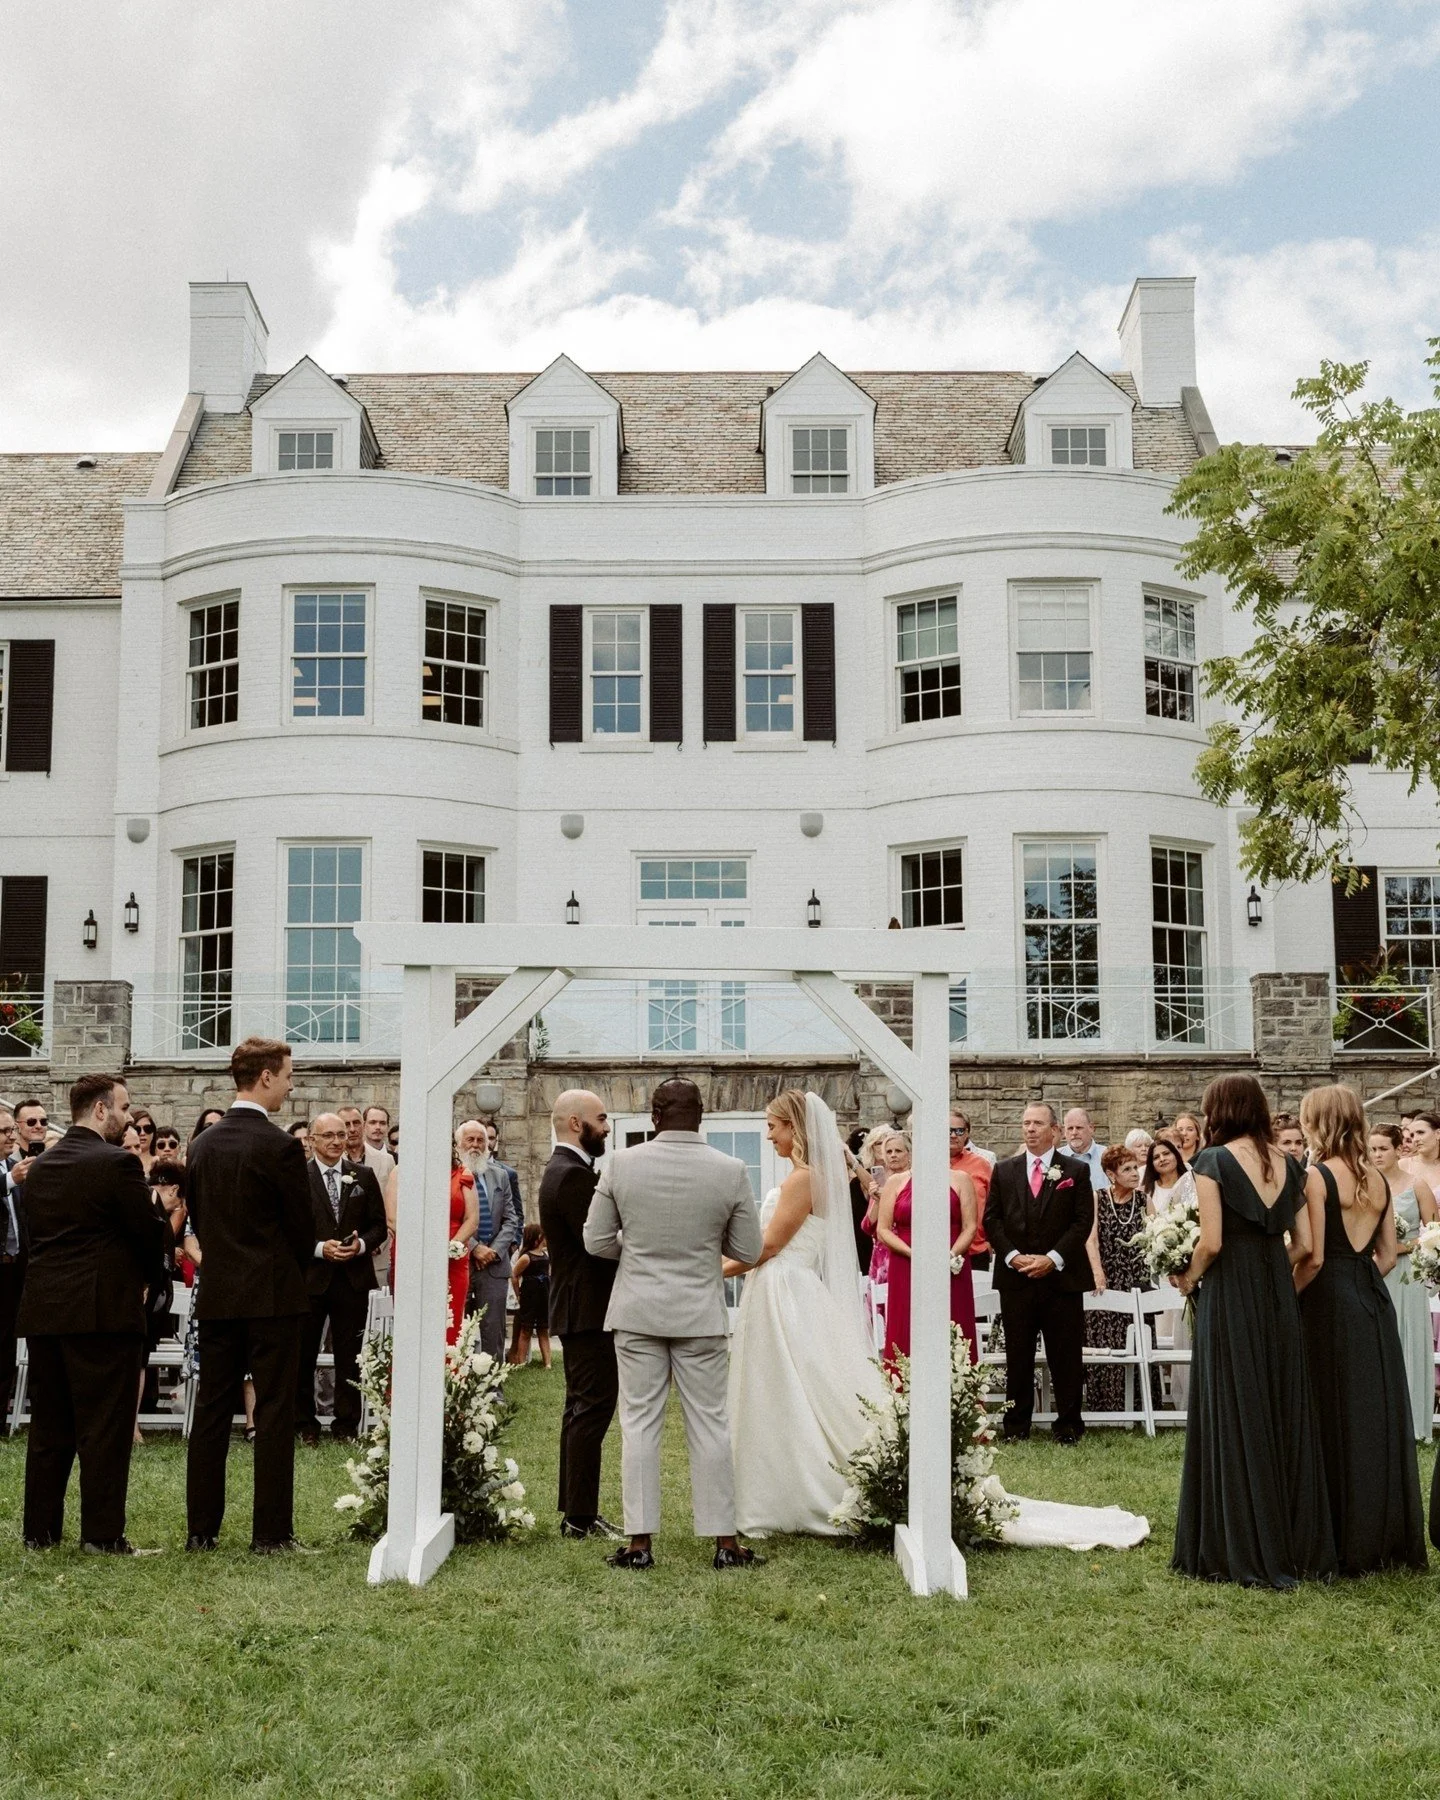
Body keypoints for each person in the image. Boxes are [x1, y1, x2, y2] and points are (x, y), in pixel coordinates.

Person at [583, 1077, 763, 1571]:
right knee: (710, 1423)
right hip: (700, 1314)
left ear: (654, 1116)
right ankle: (726, 1544)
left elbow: (596, 1241)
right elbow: (747, 1250)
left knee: (639, 1423)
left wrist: (639, 1252)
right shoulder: (730, 1170)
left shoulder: (621, 1163)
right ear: (701, 1116)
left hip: (637, 1310)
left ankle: (640, 1544)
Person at [1171, 1074, 1336, 1588]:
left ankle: (1237, 1545)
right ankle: (1295, 1543)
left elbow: (1213, 1241)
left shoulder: (1212, 1161)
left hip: (1229, 1296)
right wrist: (1267, 1264)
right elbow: (1306, 1245)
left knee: (1233, 1406)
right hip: (1277, 1297)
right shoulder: (1288, 1165)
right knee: (1281, 1407)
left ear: (1220, 1110)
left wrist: (1188, 1276)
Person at [726, 1091, 886, 1536]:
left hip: (784, 1288)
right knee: (785, 1388)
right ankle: (779, 1487)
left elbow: (769, 1247)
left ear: (794, 1128)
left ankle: (799, 1491)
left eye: (773, 1125)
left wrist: (711, 1272)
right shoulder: (809, 1177)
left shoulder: (803, 1180)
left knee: (783, 1388)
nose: (768, 1133)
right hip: (785, 1285)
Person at [19, 1074, 165, 1554]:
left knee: (49, 1427)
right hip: (102, 1312)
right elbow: (148, 1236)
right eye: (123, 1107)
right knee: (104, 1428)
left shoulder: (39, 1168)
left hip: (46, 1311)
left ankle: (40, 1532)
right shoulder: (117, 1164)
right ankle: (102, 1537)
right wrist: (149, 1278)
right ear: (100, 1110)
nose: (128, 1117)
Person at [184, 1039, 315, 1554]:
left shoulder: (203, 1145)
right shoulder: (279, 1145)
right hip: (272, 1296)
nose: (290, 1084)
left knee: (212, 1411)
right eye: (287, 1075)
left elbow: (199, 1215)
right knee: (276, 1410)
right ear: (264, 1077)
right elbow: (301, 1229)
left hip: (218, 1293)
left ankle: (201, 1530)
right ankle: (271, 1533)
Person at [1293, 1085, 1425, 1574]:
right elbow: (1389, 1256)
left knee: (1329, 1414)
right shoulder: (1378, 1177)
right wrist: (1361, 1281)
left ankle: (1337, 1537)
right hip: (1371, 1297)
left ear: (1319, 1123)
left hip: (1327, 1301)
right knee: (1372, 1417)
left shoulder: (1316, 1175)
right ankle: (1379, 1535)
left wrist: (1284, 1297)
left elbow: (1313, 1256)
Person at [984, 1101, 1096, 1444]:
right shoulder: (1004, 1170)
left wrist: (1053, 1258)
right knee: (1018, 1355)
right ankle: (1016, 1427)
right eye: (1025, 1123)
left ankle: (1068, 1426)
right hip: (1016, 1280)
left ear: (1054, 1130)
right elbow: (992, 1220)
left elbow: (1082, 1222)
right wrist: (1014, 1256)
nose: (1030, 1129)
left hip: (1062, 1279)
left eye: (1037, 1123)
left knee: (1066, 1355)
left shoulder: (1075, 1172)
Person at [538, 1088, 621, 1543]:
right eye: (602, 1118)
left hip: (579, 1306)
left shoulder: (566, 1169)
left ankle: (577, 1512)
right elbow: (599, 1243)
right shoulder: (570, 1175)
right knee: (592, 1408)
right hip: (587, 1308)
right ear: (576, 1123)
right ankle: (580, 1518)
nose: (606, 1127)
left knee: (581, 1408)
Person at [295, 1113, 387, 1445]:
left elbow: (379, 1226)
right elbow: (287, 1230)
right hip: (310, 1279)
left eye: (341, 1134)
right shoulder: (297, 1177)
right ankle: (305, 1424)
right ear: (312, 1140)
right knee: (303, 1354)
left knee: (351, 1357)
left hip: (352, 1279)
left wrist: (360, 1244)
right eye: (328, 1135)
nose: (337, 1140)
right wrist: (320, 1248)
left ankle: (346, 1425)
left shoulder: (362, 1175)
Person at [878, 1121, 980, 1370]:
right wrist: (914, 1254)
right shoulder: (896, 1182)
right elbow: (882, 1229)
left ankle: (959, 1399)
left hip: (950, 1265)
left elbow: (970, 1226)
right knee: (906, 1326)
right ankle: (902, 1399)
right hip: (906, 1263)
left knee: (953, 1324)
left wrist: (949, 1256)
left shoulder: (960, 1179)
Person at [1370, 1124, 1436, 1443]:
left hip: (1407, 1273)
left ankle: (1412, 1423)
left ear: (1399, 1149)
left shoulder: (1416, 1184)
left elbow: (1433, 1232)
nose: (1377, 1154)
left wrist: (1403, 1246)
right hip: (1373, 1268)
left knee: (1407, 1338)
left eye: (1383, 1148)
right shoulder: (1365, 1185)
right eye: (1372, 1149)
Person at [1083, 1145, 1151, 1411]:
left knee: (1135, 1338)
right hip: (1106, 1277)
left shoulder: (1144, 1200)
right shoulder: (1097, 1197)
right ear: (1112, 1174)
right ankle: (1104, 1404)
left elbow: (1155, 1236)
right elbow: (1090, 1238)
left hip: (1136, 1278)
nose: (1135, 1174)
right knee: (1105, 1339)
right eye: (1127, 1169)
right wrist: (1098, 1273)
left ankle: (1139, 1405)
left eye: (1135, 1168)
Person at [455, 1120, 519, 1360]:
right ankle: (458, 1388)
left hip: (494, 1266)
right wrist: (474, 1249)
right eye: (469, 1140)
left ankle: (493, 1392)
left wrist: (493, 1251)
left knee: (494, 1331)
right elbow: (448, 1219)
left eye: (481, 1140)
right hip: (459, 1261)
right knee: (458, 1330)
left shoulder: (500, 1176)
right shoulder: (450, 1176)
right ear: (458, 1144)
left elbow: (511, 1219)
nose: (475, 1145)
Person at [1142, 1135, 1196, 1407]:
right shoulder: (1148, 1193)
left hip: (1185, 1261)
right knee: (1163, 1330)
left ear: (1176, 1155)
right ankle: (1166, 1392)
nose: (1162, 1159)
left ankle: (1187, 1390)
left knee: (1182, 1330)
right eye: (1156, 1156)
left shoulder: (1193, 1184)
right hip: (1161, 1266)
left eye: (1167, 1153)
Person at [0, 1108, 29, 1427]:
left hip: (14, 1267)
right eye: (5, 1131)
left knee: (7, 1344)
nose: (11, 1136)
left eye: (12, 1130)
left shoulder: (13, 1166)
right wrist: (10, 1180)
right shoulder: (12, 1173)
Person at [950, 1109, 995, 1269]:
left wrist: (990, 1241)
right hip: (938, 1249)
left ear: (967, 1133)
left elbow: (994, 1206)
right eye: (948, 1130)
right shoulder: (927, 1164)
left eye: (959, 1130)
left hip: (975, 1249)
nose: (953, 1135)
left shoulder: (981, 1164)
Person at [509, 1224, 552, 1369]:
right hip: (529, 1295)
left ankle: (547, 1363)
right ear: (536, 1238)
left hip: (543, 1295)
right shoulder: (527, 1258)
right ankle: (521, 1361)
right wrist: (518, 1294)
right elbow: (514, 1275)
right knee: (526, 1329)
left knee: (543, 1329)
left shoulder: (546, 1256)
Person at [1063, 1107, 1110, 1193]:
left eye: (1079, 1128)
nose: (1074, 1133)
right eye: (1070, 1128)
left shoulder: (1108, 1155)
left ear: (1091, 1128)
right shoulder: (1056, 1156)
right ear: (1064, 1132)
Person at [360, 1106, 395, 1183]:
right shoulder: (356, 1157)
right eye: (373, 1122)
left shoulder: (396, 1159)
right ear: (364, 1125)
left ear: (388, 1127)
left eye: (382, 1123)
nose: (378, 1127)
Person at [131, 1111, 158, 1176]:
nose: (142, 1133)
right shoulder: (122, 1161)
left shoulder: (160, 1161)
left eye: (147, 1128)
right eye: (137, 1129)